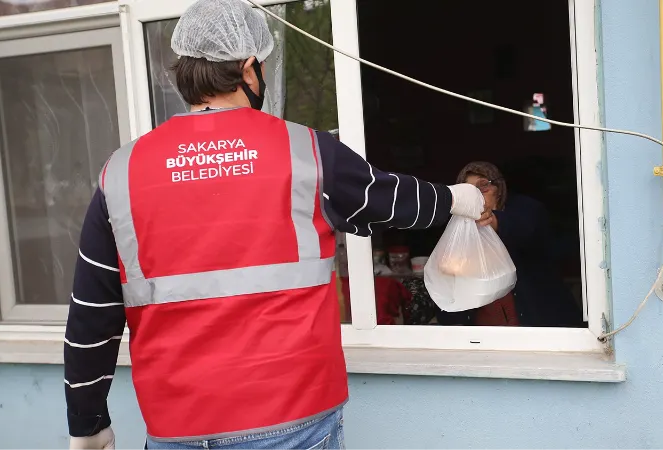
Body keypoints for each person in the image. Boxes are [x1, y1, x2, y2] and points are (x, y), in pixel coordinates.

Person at [64, 1, 485, 449]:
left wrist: (87, 424)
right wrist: (455, 199)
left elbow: (92, 315)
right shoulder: (305, 151)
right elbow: (388, 200)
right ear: (249, 70)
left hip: (177, 426)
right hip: (293, 419)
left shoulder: (122, 172)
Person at [436, 161, 583, 328]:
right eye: (468, 191)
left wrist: (494, 221)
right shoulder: (461, 226)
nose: (476, 196)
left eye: (483, 186)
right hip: (485, 329)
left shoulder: (526, 208)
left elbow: (526, 229)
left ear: (498, 188)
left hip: (536, 321)